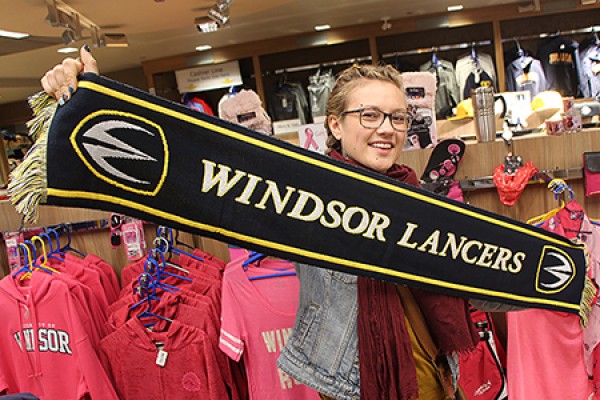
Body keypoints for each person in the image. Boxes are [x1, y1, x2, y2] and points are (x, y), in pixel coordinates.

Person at [41, 46, 478, 400]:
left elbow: (473, 280)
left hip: (437, 381)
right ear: (335, 125)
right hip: (354, 387)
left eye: (398, 117)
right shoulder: (302, 195)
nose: (387, 129)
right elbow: (191, 168)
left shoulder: (423, 202)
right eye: (369, 115)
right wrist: (90, 99)